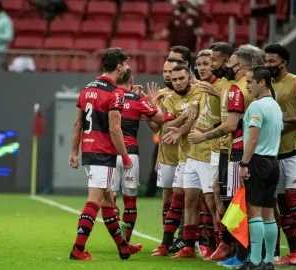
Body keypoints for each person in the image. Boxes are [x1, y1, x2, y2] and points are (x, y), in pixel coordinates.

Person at [68, 48, 142, 261]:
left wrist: (74, 151)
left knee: (109, 201)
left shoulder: (86, 89)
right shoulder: (115, 93)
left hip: (88, 152)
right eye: (125, 63)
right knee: (95, 201)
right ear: (118, 66)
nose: (127, 67)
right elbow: (115, 128)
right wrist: (125, 156)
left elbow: (77, 124)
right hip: (103, 154)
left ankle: (123, 247)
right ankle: (77, 248)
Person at [188, 49, 254, 265]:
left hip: (237, 148)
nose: (214, 65)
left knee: (239, 202)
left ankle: (242, 252)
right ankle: (231, 246)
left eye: (215, 60)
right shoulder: (243, 88)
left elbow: (231, 124)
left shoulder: (237, 88)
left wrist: (203, 136)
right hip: (230, 148)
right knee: (223, 194)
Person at [264, 44, 296, 265]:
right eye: (266, 61)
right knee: (283, 203)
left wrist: (288, 120)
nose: (268, 65)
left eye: (272, 61)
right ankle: (294, 250)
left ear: (283, 62)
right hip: (277, 149)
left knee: (294, 197)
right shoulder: (266, 85)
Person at [152, 64, 203, 257]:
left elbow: (198, 116)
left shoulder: (200, 91)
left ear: (189, 77)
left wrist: (183, 123)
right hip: (184, 155)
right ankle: (170, 245)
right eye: (174, 80)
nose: (178, 82)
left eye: (181, 78)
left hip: (206, 152)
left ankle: (210, 243)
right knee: (179, 199)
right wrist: (185, 115)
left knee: (209, 203)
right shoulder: (170, 99)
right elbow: (167, 126)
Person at [112, 68, 164, 242]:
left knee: (108, 198)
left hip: (108, 153)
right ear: (131, 80)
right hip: (130, 154)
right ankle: (126, 240)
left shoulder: (107, 95)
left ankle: (115, 230)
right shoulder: (138, 99)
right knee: (130, 201)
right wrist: (152, 103)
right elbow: (160, 121)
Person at [238, 66, 283, 270]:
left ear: (262, 83)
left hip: (257, 161)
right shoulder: (275, 105)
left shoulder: (256, 107)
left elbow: (253, 138)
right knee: (268, 213)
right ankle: (269, 261)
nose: (247, 86)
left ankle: (255, 261)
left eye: (249, 82)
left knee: (254, 211)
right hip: (273, 162)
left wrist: (244, 163)